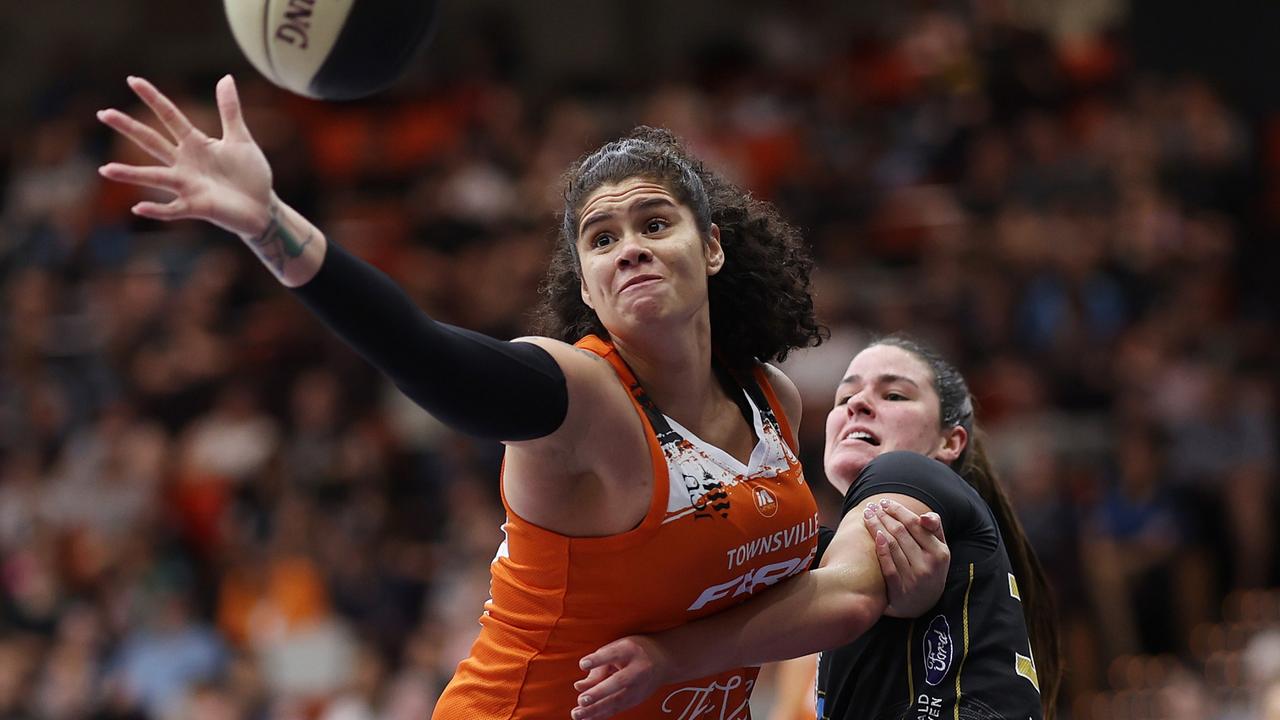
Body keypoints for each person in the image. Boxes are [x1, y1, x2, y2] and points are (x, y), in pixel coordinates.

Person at [95, 76, 949, 718]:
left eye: (656, 224)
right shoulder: (585, 394)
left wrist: (884, 577)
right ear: (585, 277)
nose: (631, 249)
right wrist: (272, 227)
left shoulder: (770, 400)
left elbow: (790, 602)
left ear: (713, 248)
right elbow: (428, 358)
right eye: (602, 238)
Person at [573, 334, 1063, 720]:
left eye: (894, 394)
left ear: (950, 442)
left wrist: (669, 658)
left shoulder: (909, 470)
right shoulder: (812, 549)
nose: (857, 404)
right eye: (844, 395)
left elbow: (846, 599)